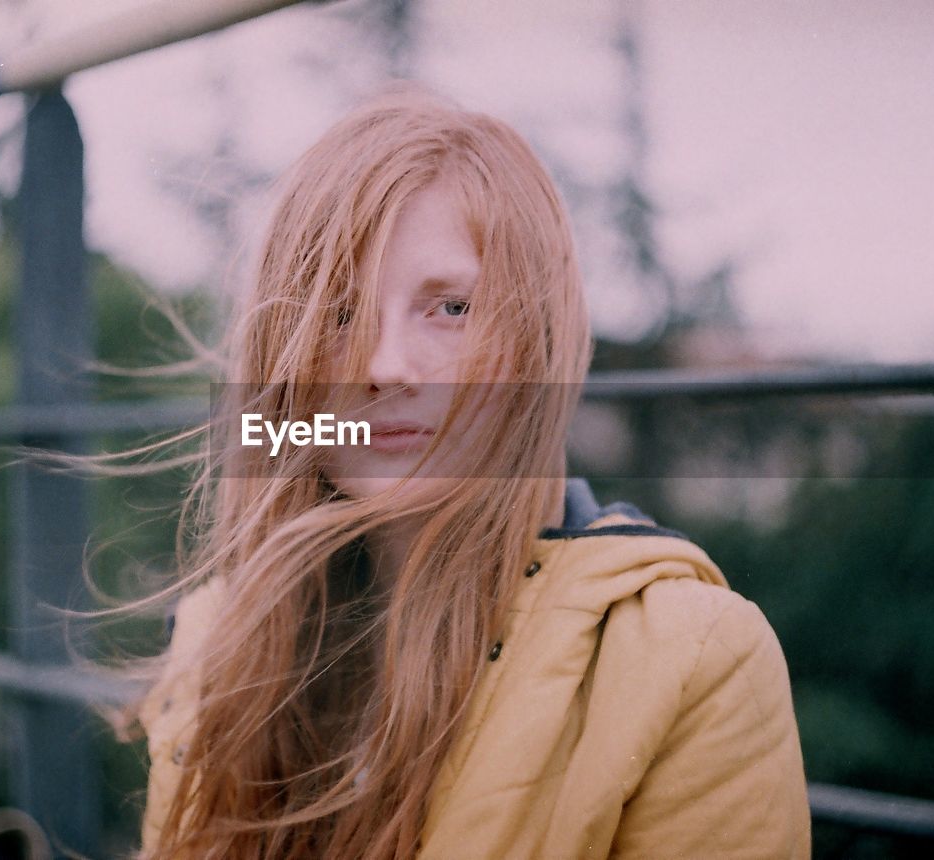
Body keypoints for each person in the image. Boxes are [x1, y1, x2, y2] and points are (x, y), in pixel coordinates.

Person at [132, 83, 811, 859]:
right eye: (339, 313)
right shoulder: (219, 637)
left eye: (450, 308)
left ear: (538, 341)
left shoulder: (693, 660)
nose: (385, 366)